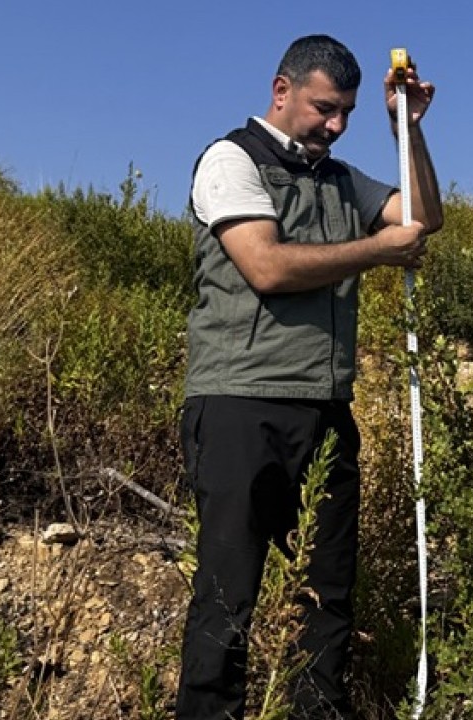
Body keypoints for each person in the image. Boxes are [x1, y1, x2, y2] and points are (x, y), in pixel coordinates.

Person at [176, 34, 443, 720]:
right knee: (227, 592)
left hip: (325, 409)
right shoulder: (231, 161)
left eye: (349, 112)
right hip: (240, 404)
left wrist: (405, 132)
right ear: (281, 90)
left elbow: (421, 218)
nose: (336, 124)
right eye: (326, 108)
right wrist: (375, 254)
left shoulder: (340, 177)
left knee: (327, 595)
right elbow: (264, 266)